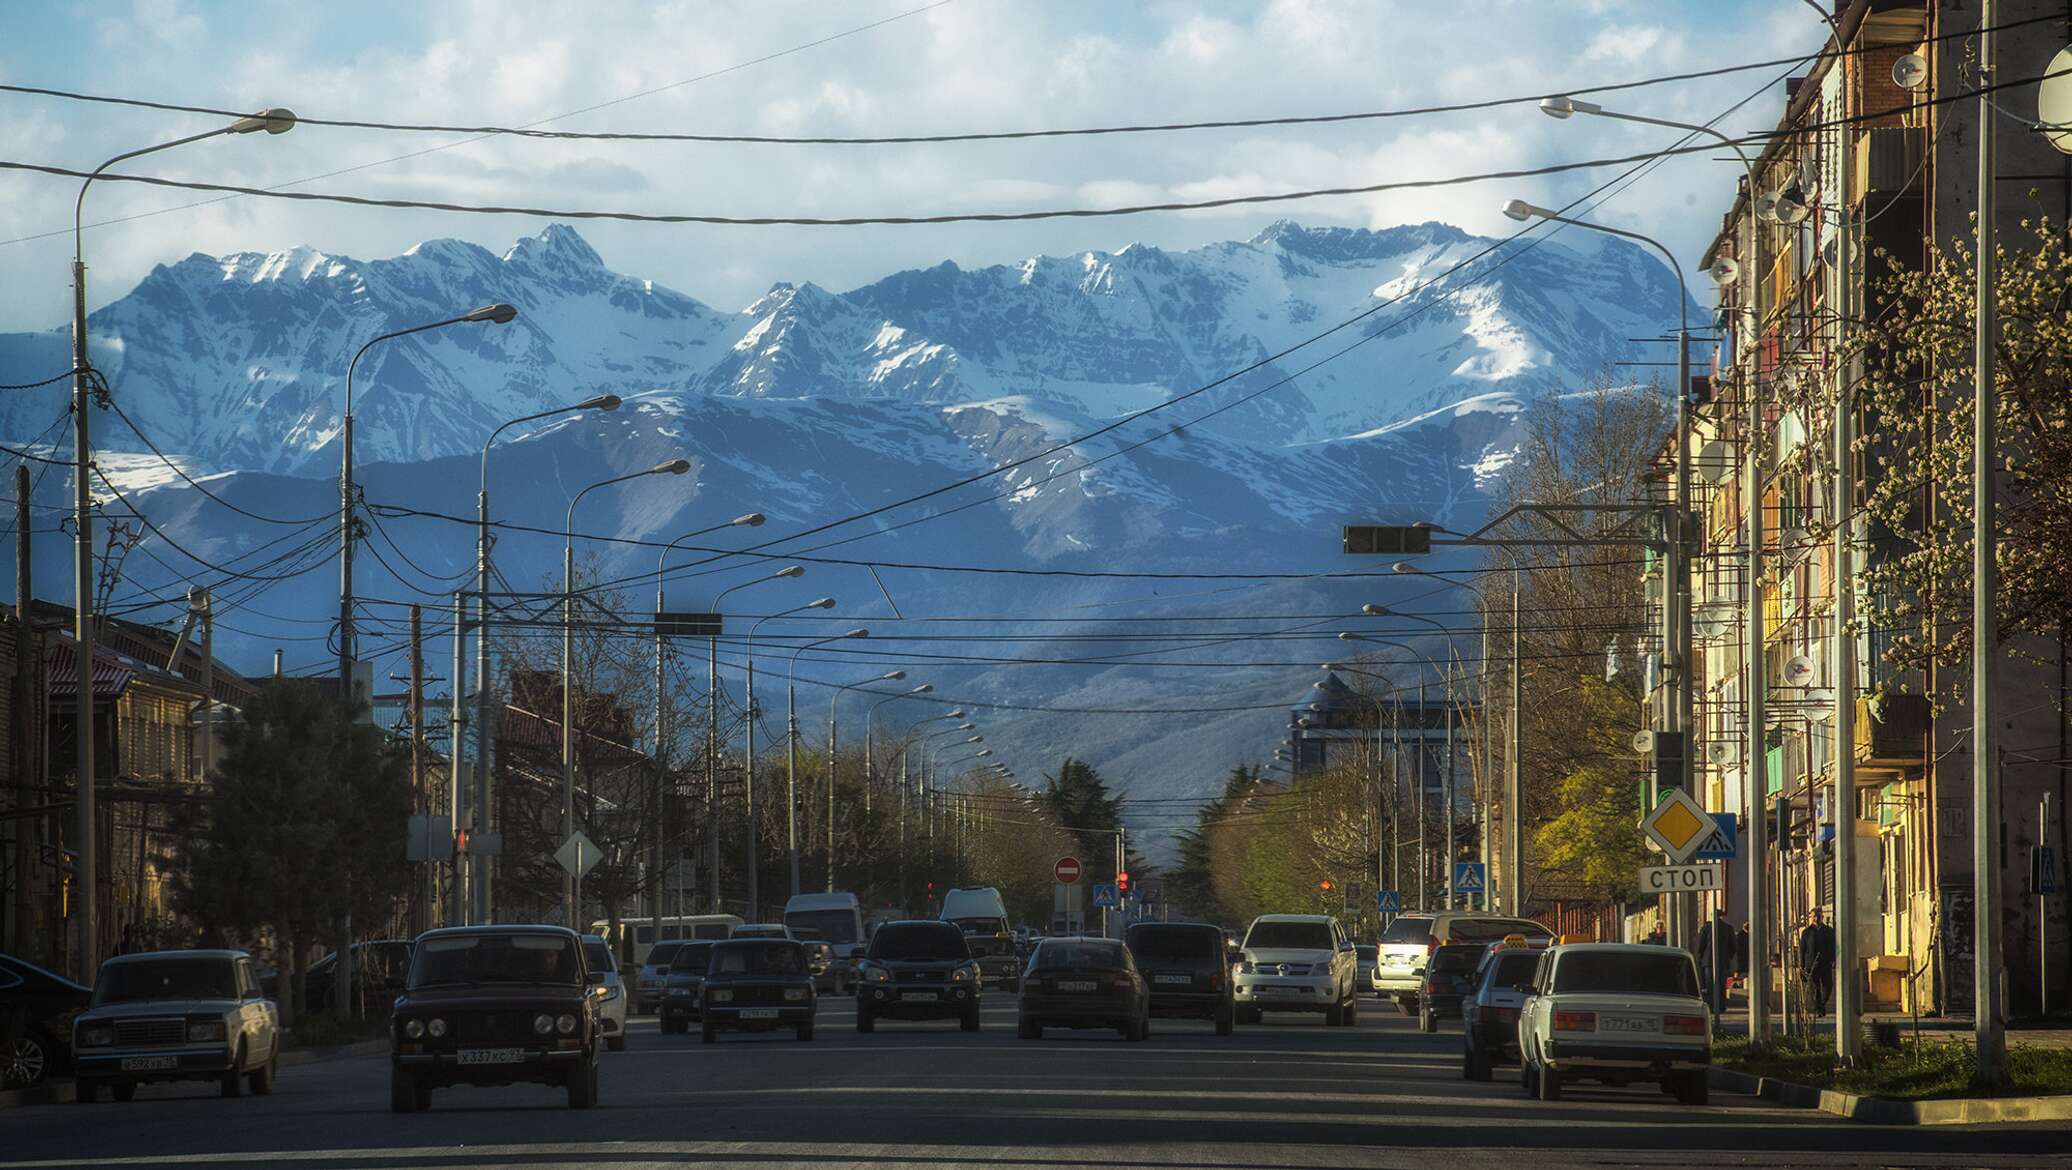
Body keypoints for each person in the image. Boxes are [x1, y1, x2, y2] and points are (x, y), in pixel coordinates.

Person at [1799, 908, 1837, 1015]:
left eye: (1818, 916)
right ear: (1811, 918)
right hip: (1811, 964)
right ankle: (1818, 1009)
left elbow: (1834, 947)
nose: (1816, 918)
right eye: (1814, 916)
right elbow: (1802, 949)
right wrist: (1802, 965)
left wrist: (1833, 959)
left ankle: (1821, 1005)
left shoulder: (1829, 931)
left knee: (1828, 985)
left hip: (1825, 963)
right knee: (1815, 988)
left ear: (1822, 917)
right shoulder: (1806, 932)